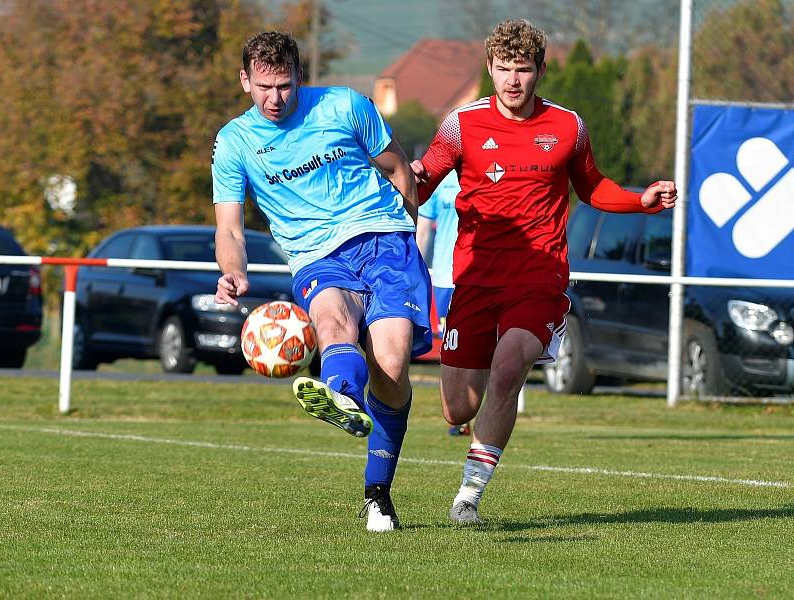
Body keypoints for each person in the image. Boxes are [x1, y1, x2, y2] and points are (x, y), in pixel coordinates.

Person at [411, 19, 677, 525]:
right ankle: (475, 430)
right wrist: (410, 178)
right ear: (490, 68)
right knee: (456, 409)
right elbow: (424, 182)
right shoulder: (461, 124)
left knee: (510, 365)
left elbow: (593, 187)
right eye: (504, 69)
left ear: (540, 71)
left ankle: (469, 493)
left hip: (541, 273)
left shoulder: (567, 126)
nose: (513, 80)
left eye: (524, 69)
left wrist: (641, 200)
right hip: (474, 277)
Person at [211, 31, 432, 532]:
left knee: (393, 363)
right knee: (333, 321)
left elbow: (400, 170)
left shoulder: (344, 106)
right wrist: (233, 270)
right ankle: (342, 397)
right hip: (315, 255)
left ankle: (378, 489)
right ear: (245, 81)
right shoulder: (235, 142)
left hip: (383, 238)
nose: (275, 98)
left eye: (285, 85)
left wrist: (409, 236)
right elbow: (229, 226)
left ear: (300, 78)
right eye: (264, 86)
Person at [415, 171, 470, 436]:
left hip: (478, 275)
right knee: (452, 345)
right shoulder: (439, 179)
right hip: (446, 277)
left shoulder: (486, 168)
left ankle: (480, 410)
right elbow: (424, 229)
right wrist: (413, 271)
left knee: (484, 344)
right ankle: (459, 413)